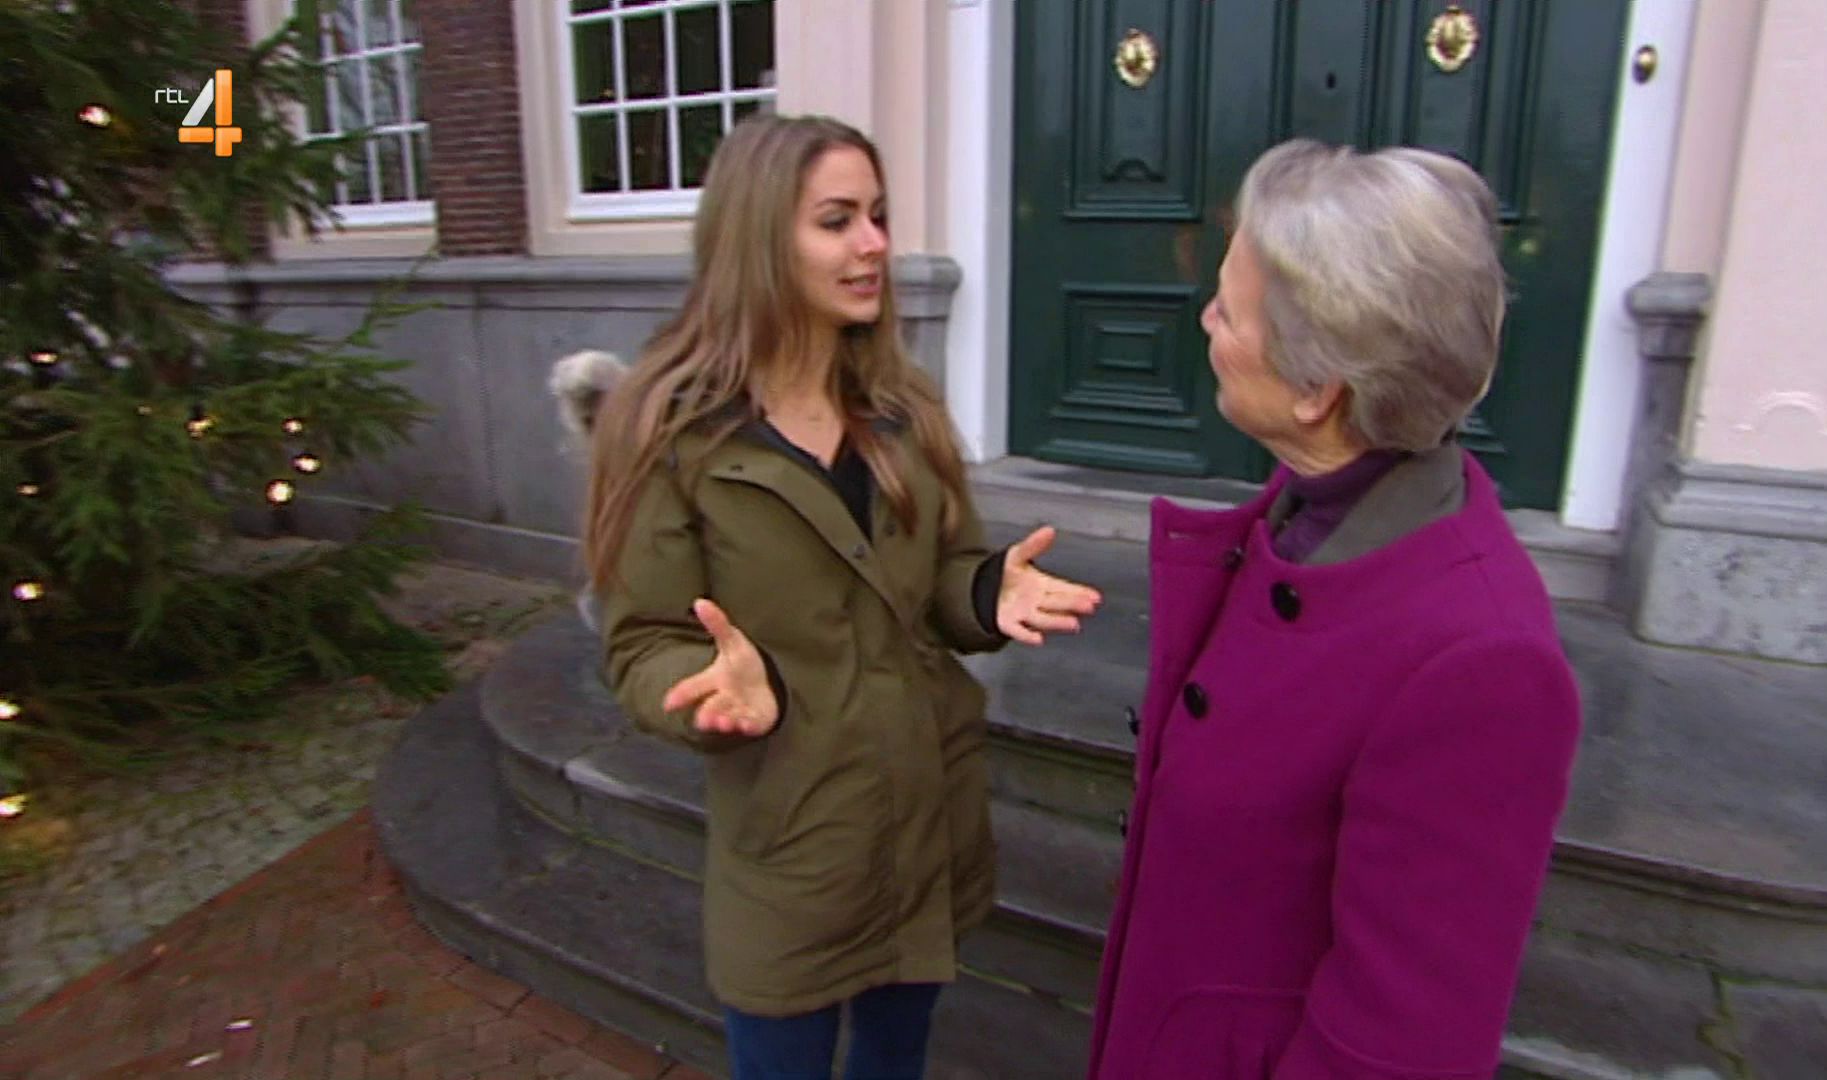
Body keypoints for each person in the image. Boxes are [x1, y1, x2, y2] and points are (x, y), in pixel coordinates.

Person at [583, 114, 1101, 1080]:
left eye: (878, 215)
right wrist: (707, 691)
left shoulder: (904, 407)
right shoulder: (671, 431)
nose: (873, 244)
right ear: (758, 239)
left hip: (929, 821)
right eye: (836, 220)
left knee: (895, 1059)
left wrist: (984, 591)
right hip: (795, 839)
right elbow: (643, 641)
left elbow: (941, 576)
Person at [1088, 139, 1582, 1079]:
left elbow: (1399, 1045)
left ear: (1319, 390)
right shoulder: (1306, 519)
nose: (1205, 320)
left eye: (1228, 309)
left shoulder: (1484, 664)